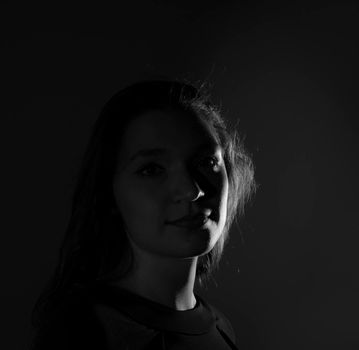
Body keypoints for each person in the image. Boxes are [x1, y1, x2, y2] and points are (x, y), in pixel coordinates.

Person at [30, 79, 256, 349]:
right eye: (152, 169)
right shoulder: (83, 332)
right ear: (109, 192)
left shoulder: (221, 329)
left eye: (206, 162)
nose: (191, 190)